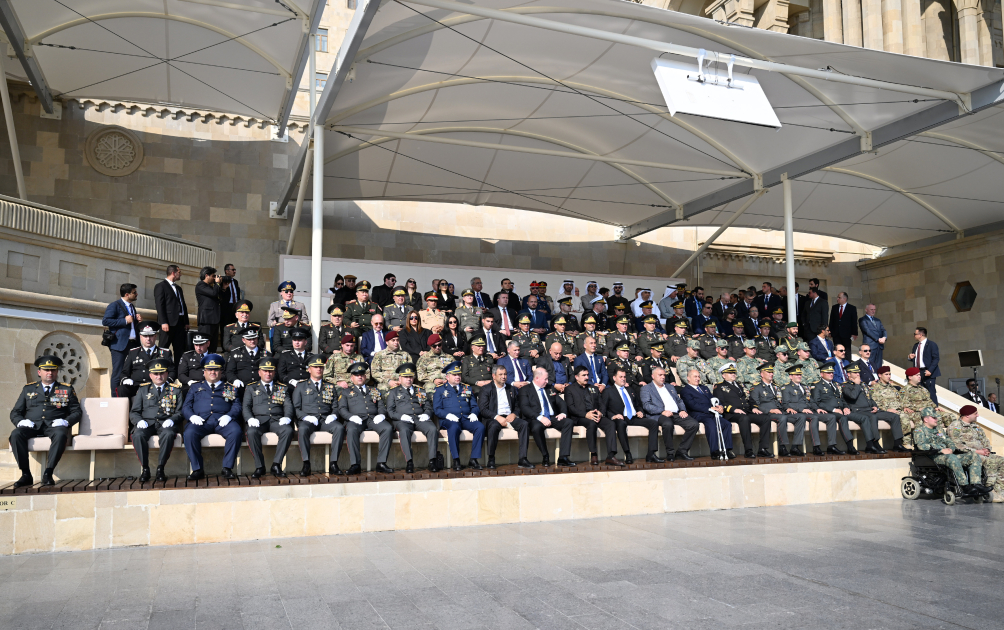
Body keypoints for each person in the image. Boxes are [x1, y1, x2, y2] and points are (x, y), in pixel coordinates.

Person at [9, 356, 82, 487]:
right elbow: (15, 412)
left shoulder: (66, 389)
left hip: (54, 426)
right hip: (32, 425)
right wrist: (21, 422)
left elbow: (77, 412)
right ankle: (26, 474)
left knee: (61, 434)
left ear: (57, 372)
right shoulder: (28, 389)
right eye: (46, 370)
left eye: (53, 370)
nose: (50, 373)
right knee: (15, 434)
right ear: (39, 372)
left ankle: (48, 473)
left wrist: (65, 422)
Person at [181, 354, 243, 481]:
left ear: (221, 371)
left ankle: (227, 468)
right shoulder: (195, 387)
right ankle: (197, 469)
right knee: (189, 433)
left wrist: (229, 416)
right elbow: (186, 406)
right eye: (209, 369)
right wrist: (191, 416)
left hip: (223, 421)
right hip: (201, 421)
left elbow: (237, 406)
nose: (213, 372)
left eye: (216, 369)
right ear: (204, 372)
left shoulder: (229, 387)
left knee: (236, 431)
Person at [129, 358, 182, 483]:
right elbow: (134, 412)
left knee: (169, 434)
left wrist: (173, 419)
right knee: (137, 435)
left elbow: (180, 412)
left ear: (167, 374)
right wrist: (138, 421)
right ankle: (145, 469)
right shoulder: (143, 390)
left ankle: (160, 468)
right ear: (150, 375)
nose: (159, 376)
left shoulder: (176, 390)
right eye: (156, 374)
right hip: (147, 424)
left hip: (165, 423)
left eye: (162, 373)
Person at [338, 360, 395, 475]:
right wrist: (350, 417)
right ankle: (355, 464)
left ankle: (381, 463)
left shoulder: (373, 390)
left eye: (361, 374)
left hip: (373, 419)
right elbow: (342, 409)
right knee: (352, 430)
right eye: (356, 375)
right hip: (356, 420)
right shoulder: (346, 392)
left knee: (387, 428)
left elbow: (381, 406)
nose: (359, 377)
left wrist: (381, 415)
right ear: (351, 378)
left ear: (365, 376)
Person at [242, 356, 295, 479]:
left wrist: (287, 417)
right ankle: (260, 466)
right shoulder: (251, 387)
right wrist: (250, 419)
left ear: (274, 372)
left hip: (277, 420)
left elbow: (288, 405)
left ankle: (276, 464)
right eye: (265, 370)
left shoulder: (281, 388)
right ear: (259, 372)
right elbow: (246, 406)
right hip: (259, 421)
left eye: (270, 370)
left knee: (287, 430)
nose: (268, 373)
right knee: (251, 432)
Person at [385, 363, 441, 474]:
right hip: (402, 420)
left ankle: (432, 461)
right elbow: (390, 411)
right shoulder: (393, 392)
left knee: (432, 429)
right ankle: (409, 462)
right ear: (400, 378)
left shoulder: (420, 390)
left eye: (410, 377)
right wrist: (401, 416)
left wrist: (427, 414)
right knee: (404, 431)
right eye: (406, 377)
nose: (408, 379)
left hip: (419, 418)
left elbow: (428, 407)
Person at [914, 409, 984, 495]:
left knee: (973, 455)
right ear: (926, 419)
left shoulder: (939, 429)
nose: (937, 419)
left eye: (937, 418)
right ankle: (964, 486)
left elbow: (948, 440)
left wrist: (951, 448)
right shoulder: (919, 430)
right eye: (934, 418)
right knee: (952, 458)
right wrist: (941, 450)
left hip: (948, 455)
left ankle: (976, 484)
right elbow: (921, 445)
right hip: (933, 457)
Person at [294, 355, 344, 474]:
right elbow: (295, 407)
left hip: (325, 419)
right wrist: (305, 417)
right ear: (309, 369)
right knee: (303, 429)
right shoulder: (301, 386)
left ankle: (334, 463)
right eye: (315, 367)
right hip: (308, 419)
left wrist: (333, 415)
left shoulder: (330, 386)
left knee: (339, 428)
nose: (318, 369)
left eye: (321, 367)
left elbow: (336, 407)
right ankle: (306, 464)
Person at [565, 365, 623, 466]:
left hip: (596, 415)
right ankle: (594, 454)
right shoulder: (570, 389)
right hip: (580, 417)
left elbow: (602, 404)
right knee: (591, 424)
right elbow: (571, 408)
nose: (587, 377)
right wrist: (585, 414)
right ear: (576, 377)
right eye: (584, 375)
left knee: (610, 424)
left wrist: (600, 412)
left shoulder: (593, 388)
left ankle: (611, 456)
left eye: (587, 375)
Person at [518, 367, 573, 467]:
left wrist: (563, 413)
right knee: (536, 427)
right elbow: (524, 408)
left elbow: (561, 403)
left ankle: (563, 457)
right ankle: (545, 455)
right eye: (545, 379)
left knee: (568, 422)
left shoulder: (549, 388)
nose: (547, 381)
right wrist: (540, 418)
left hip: (552, 417)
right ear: (537, 378)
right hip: (535, 418)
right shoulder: (525, 390)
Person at [602, 366, 658, 464]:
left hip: (634, 417)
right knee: (621, 424)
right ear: (614, 378)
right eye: (620, 377)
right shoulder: (608, 391)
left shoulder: (630, 390)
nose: (623, 379)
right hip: (621, 418)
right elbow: (604, 409)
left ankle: (651, 454)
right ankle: (627, 453)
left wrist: (640, 411)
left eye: (624, 377)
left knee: (653, 423)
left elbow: (638, 405)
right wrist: (613, 416)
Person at [842, 364, 904, 453]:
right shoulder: (845, 386)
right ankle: (874, 443)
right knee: (872, 417)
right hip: (859, 411)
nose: (858, 374)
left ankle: (897, 444)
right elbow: (852, 396)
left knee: (894, 416)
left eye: (858, 372)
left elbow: (869, 398)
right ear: (848, 374)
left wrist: (875, 406)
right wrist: (856, 385)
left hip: (869, 409)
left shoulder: (863, 384)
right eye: (855, 373)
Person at [714, 363, 771, 458]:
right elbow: (720, 403)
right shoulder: (719, 387)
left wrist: (754, 407)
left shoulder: (740, 385)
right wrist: (734, 409)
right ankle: (748, 450)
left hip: (746, 411)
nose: (733, 374)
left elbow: (750, 399)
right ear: (723, 376)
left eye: (734, 373)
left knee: (765, 418)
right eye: (730, 373)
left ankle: (763, 449)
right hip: (731, 414)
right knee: (744, 419)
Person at [642, 365, 699, 461]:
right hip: (659, 415)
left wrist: (682, 410)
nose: (663, 377)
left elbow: (679, 400)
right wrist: (662, 411)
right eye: (660, 375)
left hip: (676, 414)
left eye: (664, 375)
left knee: (694, 424)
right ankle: (670, 453)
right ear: (653, 376)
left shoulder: (669, 386)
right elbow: (646, 405)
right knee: (668, 424)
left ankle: (682, 451)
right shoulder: (646, 388)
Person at [948, 405, 1004, 502]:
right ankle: (990, 489)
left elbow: (985, 440)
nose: (978, 415)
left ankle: (1000, 490)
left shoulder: (976, 426)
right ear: (967, 415)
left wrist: (987, 449)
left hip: (982, 453)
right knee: (990, 461)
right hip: (967, 455)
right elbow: (956, 444)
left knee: (1002, 460)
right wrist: (977, 451)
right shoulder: (955, 426)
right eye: (975, 413)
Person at [439, 361, 488, 470]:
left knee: (480, 427)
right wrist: (447, 415)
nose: (458, 377)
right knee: (454, 427)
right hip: (449, 420)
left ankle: (473, 459)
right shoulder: (440, 390)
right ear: (447, 376)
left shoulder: (467, 388)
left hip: (465, 418)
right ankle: (456, 460)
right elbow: (437, 409)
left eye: (459, 374)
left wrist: (474, 413)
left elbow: (474, 406)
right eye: (454, 375)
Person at [681, 367, 734, 459]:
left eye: (698, 376)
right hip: (699, 414)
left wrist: (719, 406)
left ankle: (727, 449)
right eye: (695, 376)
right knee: (711, 424)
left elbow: (713, 399)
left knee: (726, 424)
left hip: (711, 413)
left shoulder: (704, 388)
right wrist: (709, 408)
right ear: (688, 378)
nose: (697, 378)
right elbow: (692, 405)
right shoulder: (685, 390)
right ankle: (715, 451)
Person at [117, 323, 176, 399]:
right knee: (122, 389)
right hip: (137, 386)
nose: (148, 339)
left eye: (151, 336)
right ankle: (126, 411)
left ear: (155, 336)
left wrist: (166, 382)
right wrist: (125, 379)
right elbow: (124, 372)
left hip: (157, 386)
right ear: (140, 337)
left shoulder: (165, 353)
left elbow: (172, 371)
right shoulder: (133, 352)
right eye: (145, 336)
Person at [811, 363, 859, 454]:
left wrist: (845, 407)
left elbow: (841, 398)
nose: (831, 374)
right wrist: (833, 410)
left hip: (840, 410)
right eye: (828, 373)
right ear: (822, 374)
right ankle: (849, 445)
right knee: (843, 418)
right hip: (828, 411)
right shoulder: (817, 385)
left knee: (859, 416)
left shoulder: (835, 384)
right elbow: (817, 402)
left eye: (832, 372)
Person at [103, 282, 142, 390]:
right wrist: (124, 321)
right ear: (127, 294)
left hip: (133, 343)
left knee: (132, 371)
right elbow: (106, 321)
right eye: (134, 292)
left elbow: (132, 326)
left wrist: (138, 321)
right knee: (118, 372)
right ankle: (115, 401)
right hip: (119, 344)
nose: (137, 294)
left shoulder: (132, 307)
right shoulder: (114, 305)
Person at [749, 365, 792, 456]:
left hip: (780, 411)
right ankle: (783, 447)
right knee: (783, 418)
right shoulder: (756, 388)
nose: (771, 374)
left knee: (798, 416)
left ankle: (796, 447)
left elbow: (781, 401)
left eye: (772, 372)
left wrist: (787, 408)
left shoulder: (776, 387)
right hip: (767, 413)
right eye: (768, 372)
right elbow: (755, 405)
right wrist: (770, 410)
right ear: (762, 374)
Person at [153, 264, 189, 359]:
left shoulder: (178, 288)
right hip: (168, 323)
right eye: (179, 272)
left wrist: (186, 321)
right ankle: (161, 369)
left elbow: (183, 305)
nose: (180, 274)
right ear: (173, 273)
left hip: (180, 323)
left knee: (179, 349)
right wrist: (163, 322)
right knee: (163, 348)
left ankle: (178, 372)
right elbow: (160, 306)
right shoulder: (161, 286)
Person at [858, 304, 886, 368]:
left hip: (879, 346)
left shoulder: (877, 320)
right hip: (870, 346)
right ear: (866, 310)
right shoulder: (863, 320)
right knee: (870, 365)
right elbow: (867, 331)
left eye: (874, 310)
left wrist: (884, 337)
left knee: (878, 366)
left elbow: (883, 330)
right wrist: (878, 339)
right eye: (871, 309)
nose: (873, 311)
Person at [219, 263, 242, 334]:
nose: (235, 271)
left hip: (235, 308)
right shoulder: (221, 281)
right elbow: (219, 295)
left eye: (235, 270)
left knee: (235, 329)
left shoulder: (235, 282)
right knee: (225, 329)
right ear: (227, 271)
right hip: (226, 308)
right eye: (233, 270)